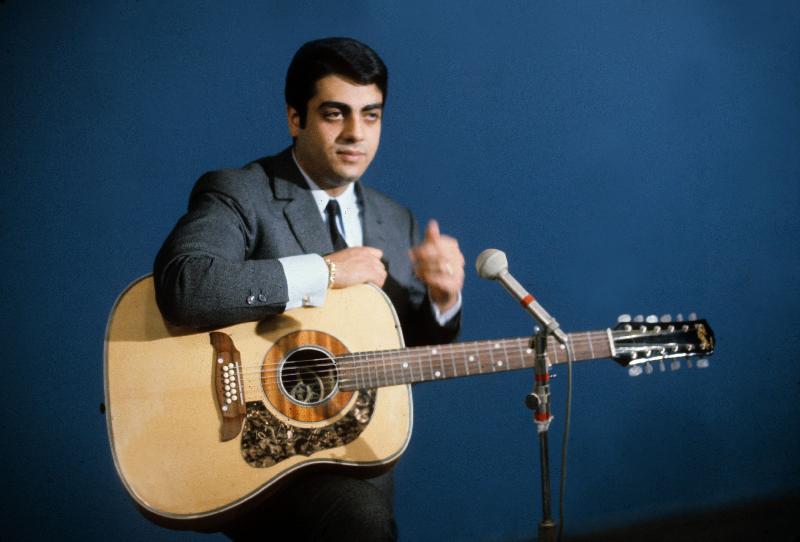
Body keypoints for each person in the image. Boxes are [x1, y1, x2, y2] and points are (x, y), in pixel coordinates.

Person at [153, 38, 465, 541]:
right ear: (295, 117)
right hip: (249, 444)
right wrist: (324, 272)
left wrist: (443, 301)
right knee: (358, 526)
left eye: (372, 115)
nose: (355, 134)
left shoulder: (393, 220)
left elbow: (404, 350)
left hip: (348, 442)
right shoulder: (240, 192)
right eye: (335, 114)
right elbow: (185, 284)